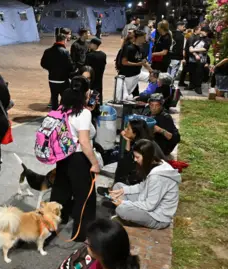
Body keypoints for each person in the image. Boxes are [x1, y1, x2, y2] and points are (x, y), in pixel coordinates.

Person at [50, 76, 100, 242]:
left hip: (62, 156)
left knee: (60, 191)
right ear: (86, 92)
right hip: (78, 158)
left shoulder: (62, 108)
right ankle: (80, 234)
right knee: (84, 197)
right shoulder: (83, 113)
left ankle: (50, 226)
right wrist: (94, 163)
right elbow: (85, 143)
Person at [110, 139, 181, 229]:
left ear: (146, 157)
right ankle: (129, 216)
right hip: (146, 201)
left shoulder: (158, 177)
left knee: (121, 209)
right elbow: (142, 186)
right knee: (118, 186)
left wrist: (124, 203)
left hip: (158, 217)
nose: (135, 160)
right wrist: (123, 190)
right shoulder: (156, 164)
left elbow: (149, 206)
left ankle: (130, 219)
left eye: (137, 157)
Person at [115, 119, 165, 185]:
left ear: (135, 133)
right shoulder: (143, 140)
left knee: (123, 165)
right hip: (149, 170)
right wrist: (128, 141)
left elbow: (126, 161)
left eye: (128, 129)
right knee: (124, 162)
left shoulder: (142, 146)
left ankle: (118, 188)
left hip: (152, 175)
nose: (125, 130)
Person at [40, 29, 74, 110]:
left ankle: (54, 114)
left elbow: (43, 63)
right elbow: (71, 66)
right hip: (62, 79)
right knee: (65, 97)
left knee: (54, 98)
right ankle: (63, 113)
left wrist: (50, 69)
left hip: (52, 79)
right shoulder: (65, 52)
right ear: (64, 40)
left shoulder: (47, 51)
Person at [117, 30, 152, 101]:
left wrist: (152, 71)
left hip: (137, 74)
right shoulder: (128, 48)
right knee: (124, 98)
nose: (145, 39)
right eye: (143, 37)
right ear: (138, 37)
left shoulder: (142, 49)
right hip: (128, 76)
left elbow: (144, 62)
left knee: (156, 78)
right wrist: (138, 64)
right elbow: (124, 62)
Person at [188, 27, 211, 94]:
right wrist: (195, 54)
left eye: (206, 32)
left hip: (202, 59)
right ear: (201, 31)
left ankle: (198, 86)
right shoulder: (195, 37)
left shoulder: (208, 39)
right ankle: (192, 85)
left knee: (199, 73)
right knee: (192, 72)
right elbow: (190, 46)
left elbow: (205, 48)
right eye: (204, 32)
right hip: (193, 57)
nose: (205, 33)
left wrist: (194, 50)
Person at [86, 37, 107, 104]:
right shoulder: (103, 55)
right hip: (99, 78)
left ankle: (91, 107)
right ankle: (98, 106)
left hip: (91, 80)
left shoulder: (89, 55)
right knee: (98, 94)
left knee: (90, 95)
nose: (89, 45)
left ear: (94, 45)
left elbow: (86, 67)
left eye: (90, 43)